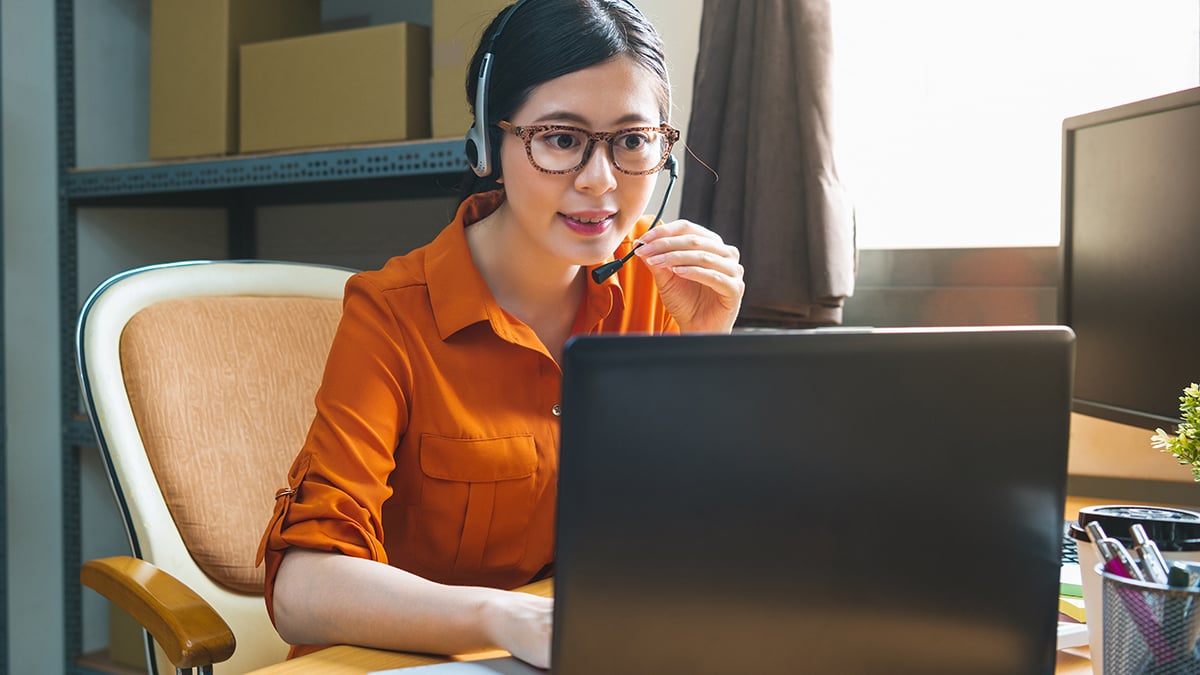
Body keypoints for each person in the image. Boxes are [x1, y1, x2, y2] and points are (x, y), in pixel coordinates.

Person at [257, 0, 744, 668]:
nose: (601, 181)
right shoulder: (391, 314)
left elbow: (689, 543)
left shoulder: (656, 291)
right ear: (490, 141)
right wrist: (505, 615)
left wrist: (706, 351)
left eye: (632, 141)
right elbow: (301, 586)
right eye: (561, 138)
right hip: (405, 660)